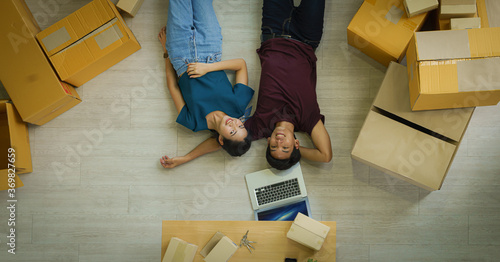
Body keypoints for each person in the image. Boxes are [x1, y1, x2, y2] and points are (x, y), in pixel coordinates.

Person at [158, 0, 254, 169]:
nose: (234, 123)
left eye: (232, 131)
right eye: (240, 126)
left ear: (221, 139)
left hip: (179, 54)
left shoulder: (193, 122)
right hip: (210, 48)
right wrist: (208, 67)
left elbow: (172, 86)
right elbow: (241, 64)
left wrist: (166, 51)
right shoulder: (238, 107)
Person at [243, 0, 332, 170]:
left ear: (268, 141)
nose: (279, 141)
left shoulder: (260, 126)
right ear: (296, 144)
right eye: (286, 147)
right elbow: (325, 156)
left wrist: (185, 158)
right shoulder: (307, 120)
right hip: (306, 38)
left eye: (274, 146)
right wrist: (296, 152)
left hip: (273, 30)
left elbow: (222, 140)